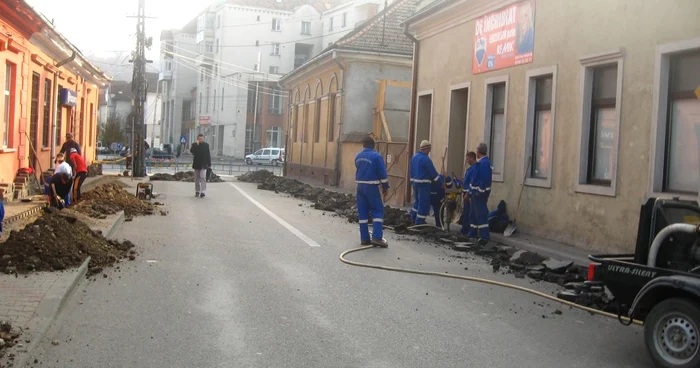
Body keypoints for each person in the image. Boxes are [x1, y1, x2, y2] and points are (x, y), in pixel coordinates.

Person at [354, 136, 389, 248]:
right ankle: (377, 237)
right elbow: (382, 173)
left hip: (360, 187)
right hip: (372, 187)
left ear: (363, 145)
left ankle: (364, 239)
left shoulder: (358, 156)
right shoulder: (376, 156)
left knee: (363, 213)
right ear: (373, 145)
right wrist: (385, 187)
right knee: (377, 210)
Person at [409, 140, 440, 225]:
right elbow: (433, 173)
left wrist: (412, 182)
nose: (429, 151)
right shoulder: (426, 159)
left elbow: (411, 171)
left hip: (415, 184)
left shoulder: (414, 157)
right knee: (423, 204)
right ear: (426, 148)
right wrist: (440, 182)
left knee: (417, 202)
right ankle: (419, 222)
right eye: (429, 149)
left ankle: (413, 217)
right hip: (424, 185)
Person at [470, 143, 493, 244]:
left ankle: (484, 237)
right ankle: (474, 233)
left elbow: (484, 179)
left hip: (480, 194)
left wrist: (479, 190)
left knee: (481, 214)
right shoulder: (482, 163)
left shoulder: (484, 163)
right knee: (476, 214)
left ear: (478, 152)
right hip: (476, 193)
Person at [461, 151, 478, 237]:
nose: (467, 161)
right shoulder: (470, 169)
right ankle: (464, 230)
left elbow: (472, 182)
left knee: (469, 212)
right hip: (466, 192)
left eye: (467, 159)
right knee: (466, 212)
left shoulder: (475, 169)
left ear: (472, 158)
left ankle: (468, 231)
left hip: (469, 194)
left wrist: (468, 193)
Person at [190, 134, 211, 198]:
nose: (201, 140)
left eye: (202, 139)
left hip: (203, 164)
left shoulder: (206, 145)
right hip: (196, 164)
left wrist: (209, 163)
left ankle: (203, 192)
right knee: (196, 178)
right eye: (199, 139)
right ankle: (197, 191)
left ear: (203, 139)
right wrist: (196, 145)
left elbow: (208, 154)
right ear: (197, 139)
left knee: (203, 177)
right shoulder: (194, 145)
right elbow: (192, 152)